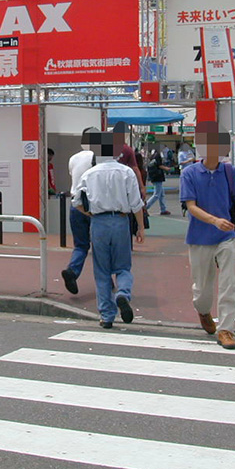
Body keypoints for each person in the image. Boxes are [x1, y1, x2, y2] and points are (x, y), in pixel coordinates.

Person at [180, 121, 235, 350]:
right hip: (199, 237)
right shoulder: (190, 173)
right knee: (202, 289)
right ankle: (203, 311)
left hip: (226, 237)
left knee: (228, 282)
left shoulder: (231, 173)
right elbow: (190, 206)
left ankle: (226, 329)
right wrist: (214, 220)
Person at [73, 122, 145, 329]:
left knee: (101, 270)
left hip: (99, 222)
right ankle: (123, 293)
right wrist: (140, 228)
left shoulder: (90, 174)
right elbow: (136, 204)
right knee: (123, 266)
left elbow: (76, 202)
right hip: (121, 220)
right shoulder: (126, 172)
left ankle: (106, 315)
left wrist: (90, 213)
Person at [61, 127, 97, 295]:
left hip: (75, 204)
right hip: (94, 205)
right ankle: (105, 278)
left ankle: (73, 271)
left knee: (81, 245)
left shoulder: (73, 158)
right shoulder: (98, 157)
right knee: (101, 245)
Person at [146, 147, 171, 215]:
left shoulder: (151, 158)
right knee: (156, 194)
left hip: (153, 176)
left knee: (161, 194)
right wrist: (166, 168)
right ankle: (145, 208)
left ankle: (163, 209)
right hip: (158, 177)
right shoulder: (157, 156)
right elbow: (159, 165)